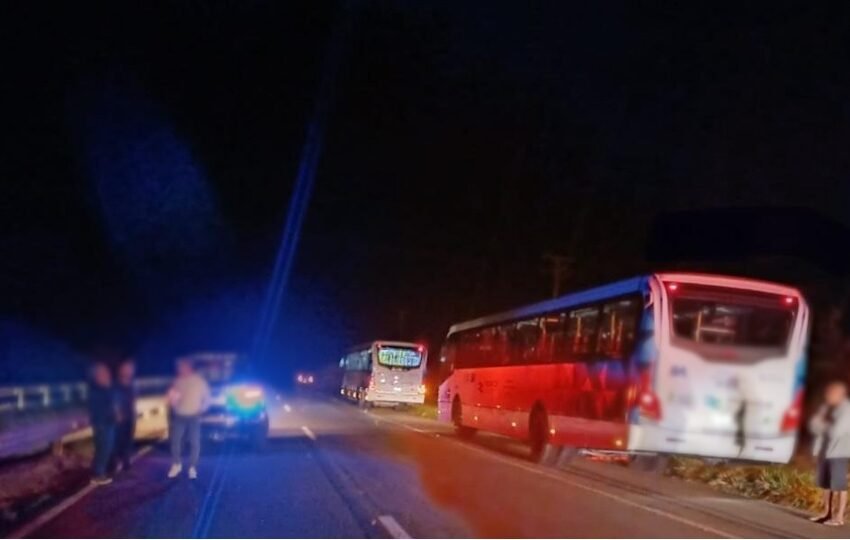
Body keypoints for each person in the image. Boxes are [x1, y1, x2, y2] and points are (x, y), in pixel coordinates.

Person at [808, 380, 850, 526]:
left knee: (838, 485)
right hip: (824, 451)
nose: (828, 396)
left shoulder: (846, 409)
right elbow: (813, 425)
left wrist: (822, 425)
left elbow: (836, 431)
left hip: (839, 452)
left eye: (831, 393)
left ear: (840, 394)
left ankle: (839, 517)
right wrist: (822, 425)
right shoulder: (826, 407)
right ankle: (826, 513)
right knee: (825, 484)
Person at [167, 358, 210, 480]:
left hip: (194, 416)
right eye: (179, 367)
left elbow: (207, 398)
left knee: (194, 442)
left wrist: (202, 409)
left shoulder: (199, 381)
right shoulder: (177, 381)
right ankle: (176, 465)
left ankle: (192, 467)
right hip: (179, 416)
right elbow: (172, 397)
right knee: (175, 441)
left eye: (181, 367)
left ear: (189, 367)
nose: (179, 369)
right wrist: (173, 404)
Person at [88, 362, 118, 486]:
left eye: (106, 373)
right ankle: (98, 475)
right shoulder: (97, 390)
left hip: (107, 422)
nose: (107, 375)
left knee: (105, 448)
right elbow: (98, 408)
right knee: (104, 449)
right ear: (97, 375)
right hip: (102, 424)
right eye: (103, 373)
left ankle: (99, 471)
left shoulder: (104, 388)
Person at [110, 358, 136, 474]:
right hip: (119, 416)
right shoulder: (116, 383)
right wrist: (117, 413)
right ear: (121, 369)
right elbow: (113, 399)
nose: (130, 370)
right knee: (117, 440)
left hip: (130, 415)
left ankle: (126, 461)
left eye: (131, 368)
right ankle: (116, 463)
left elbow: (133, 399)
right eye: (127, 368)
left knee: (128, 439)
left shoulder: (131, 383)